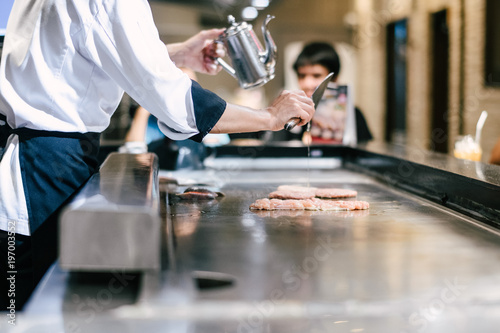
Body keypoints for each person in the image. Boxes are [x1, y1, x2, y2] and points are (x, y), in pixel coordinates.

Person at [0, 1, 314, 310]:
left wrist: (178, 53)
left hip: (33, 161)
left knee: (19, 305)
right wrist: (269, 117)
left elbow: (82, 50)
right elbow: (177, 104)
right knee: (31, 310)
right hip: (41, 172)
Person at [286, 42, 372, 144]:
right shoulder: (290, 115)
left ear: (334, 79)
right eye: (302, 76)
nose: (307, 84)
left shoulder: (353, 115)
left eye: (316, 75)